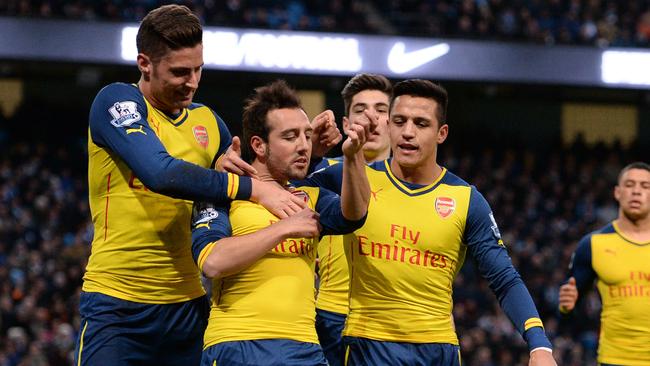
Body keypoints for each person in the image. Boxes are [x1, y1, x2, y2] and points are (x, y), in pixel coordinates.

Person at [75, 5, 309, 365]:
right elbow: (162, 173)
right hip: (118, 306)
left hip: (188, 308)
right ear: (144, 64)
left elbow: (256, 178)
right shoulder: (117, 102)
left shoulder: (208, 123)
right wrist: (250, 188)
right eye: (180, 72)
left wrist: (313, 150)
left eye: (199, 69)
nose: (193, 81)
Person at [303, 79, 556, 365]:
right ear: (388, 125)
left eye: (421, 124)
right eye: (400, 121)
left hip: (438, 351)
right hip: (367, 346)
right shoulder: (351, 177)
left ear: (441, 133)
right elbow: (284, 188)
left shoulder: (466, 199)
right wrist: (312, 151)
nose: (408, 132)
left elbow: (504, 279)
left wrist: (539, 345)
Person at [190, 79, 372, 366]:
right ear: (259, 146)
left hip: (305, 349)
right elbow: (212, 262)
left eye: (307, 135)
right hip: (238, 344)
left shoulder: (310, 196)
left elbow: (355, 215)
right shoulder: (224, 192)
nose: (304, 146)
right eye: (290, 137)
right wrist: (283, 228)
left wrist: (352, 155)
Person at [309, 73, 392, 366]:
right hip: (330, 317)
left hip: (389, 322)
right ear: (346, 125)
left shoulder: (419, 184)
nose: (371, 118)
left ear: (393, 122)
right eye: (360, 110)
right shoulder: (320, 173)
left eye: (381, 110)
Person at [558, 162, 650, 366]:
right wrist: (566, 307)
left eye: (645, 186)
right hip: (614, 360)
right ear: (617, 192)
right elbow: (567, 310)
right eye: (630, 185)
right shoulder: (593, 244)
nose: (636, 191)